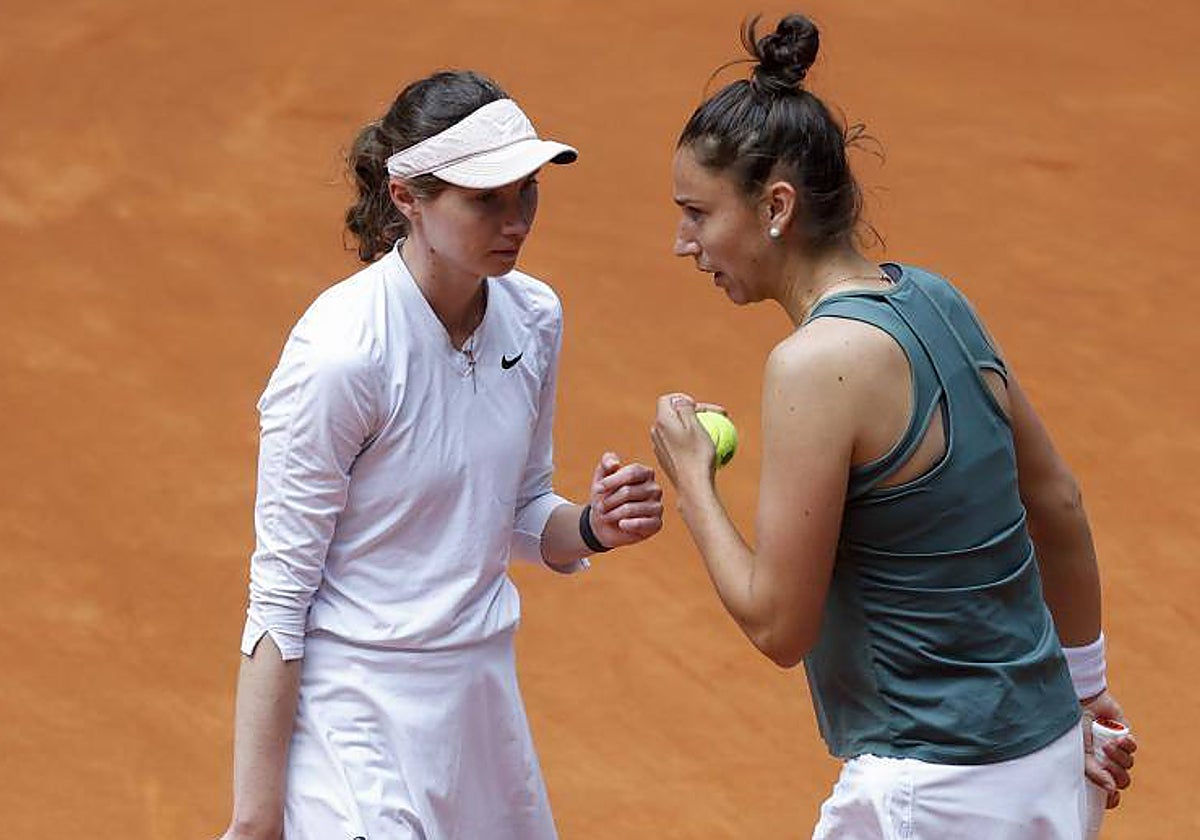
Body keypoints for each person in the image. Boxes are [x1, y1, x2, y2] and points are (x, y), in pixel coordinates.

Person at [646, 13, 1136, 838]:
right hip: (1046, 761)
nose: (682, 242)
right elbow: (1060, 504)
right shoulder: (938, 300)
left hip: (933, 793)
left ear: (775, 206)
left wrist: (693, 480)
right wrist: (1086, 691)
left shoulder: (813, 367)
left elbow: (778, 624)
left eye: (698, 213)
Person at [217, 70, 663, 840]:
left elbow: (518, 511)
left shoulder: (535, 316)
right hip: (355, 713)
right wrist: (256, 819)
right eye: (484, 197)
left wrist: (593, 525)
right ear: (405, 199)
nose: (515, 218)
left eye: (525, 191)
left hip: (479, 710)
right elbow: (280, 601)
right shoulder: (341, 357)